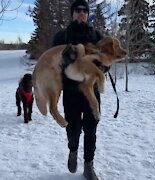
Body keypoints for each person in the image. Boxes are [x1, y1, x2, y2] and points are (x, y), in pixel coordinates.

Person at [52, 0, 104, 179]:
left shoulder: (97, 36)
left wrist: (100, 69)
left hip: (91, 92)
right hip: (71, 93)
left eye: (84, 10)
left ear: (88, 14)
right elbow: (53, 64)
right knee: (73, 129)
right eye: (77, 10)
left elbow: (106, 61)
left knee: (91, 129)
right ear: (72, 13)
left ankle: (88, 165)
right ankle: (72, 150)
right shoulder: (61, 37)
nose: (81, 13)